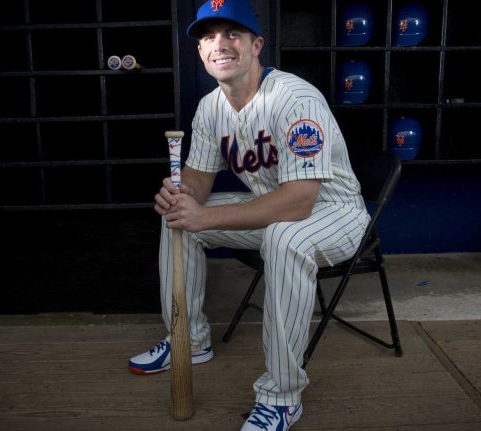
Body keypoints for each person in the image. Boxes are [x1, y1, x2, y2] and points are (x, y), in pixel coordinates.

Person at [128, 1, 370, 429]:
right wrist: (178, 195)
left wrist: (206, 217)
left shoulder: (294, 99)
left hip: (334, 212)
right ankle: (189, 340)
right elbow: (198, 183)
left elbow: (299, 202)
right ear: (201, 52)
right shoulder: (210, 108)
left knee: (284, 239)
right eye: (207, 37)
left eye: (231, 34)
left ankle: (282, 397)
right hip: (273, 213)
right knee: (180, 219)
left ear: (257, 45)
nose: (218, 44)